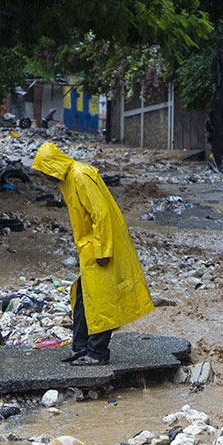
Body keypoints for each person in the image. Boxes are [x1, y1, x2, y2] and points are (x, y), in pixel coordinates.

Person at [32, 142, 154, 365]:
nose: (45, 177)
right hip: (91, 249)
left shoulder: (80, 175)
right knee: (82, 299)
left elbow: (101, 214)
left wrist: (104, 250)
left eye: (44, 171)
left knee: (102, 303)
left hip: (99, 249)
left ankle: (96, 354)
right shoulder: (69, 180)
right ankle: (81, 347)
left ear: (52, 165)